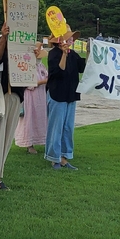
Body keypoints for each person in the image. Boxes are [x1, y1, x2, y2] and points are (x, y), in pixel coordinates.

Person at [0, 23, 23, 190]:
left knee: (6, 139)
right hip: (2, 97)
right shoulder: (2, 47)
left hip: (16, 96)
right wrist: (4, 38)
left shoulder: (23, 48)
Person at [46, 22, 85, 171]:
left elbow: (83, 67)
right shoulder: (54, 54)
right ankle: (53, 157)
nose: (71, 41)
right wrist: (63, 53)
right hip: (57, 94)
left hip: (70, 94)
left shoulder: (73, 54)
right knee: (56, 127)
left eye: (72, 39)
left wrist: (88, 52)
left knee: (68, 127)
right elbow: (58, 71)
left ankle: (64, 156)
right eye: (68, 38)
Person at [15, 42, 48, 155]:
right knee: (29, 119)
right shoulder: (27, 66)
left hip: (40, 96)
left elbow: (47, 75)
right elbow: (28, 83)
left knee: (40, 118)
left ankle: (40, 139)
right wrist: (43, 81)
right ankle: (29, 143)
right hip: (30, 96)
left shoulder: (41, 66)